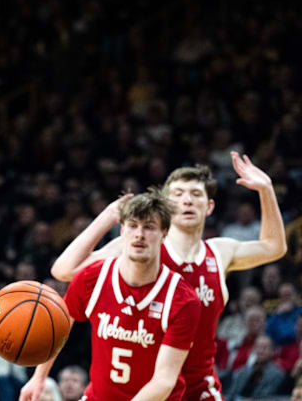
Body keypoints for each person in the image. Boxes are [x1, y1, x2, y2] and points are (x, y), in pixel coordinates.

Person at [36, 158, 287, 400]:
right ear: (165, 206)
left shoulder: (220, 252)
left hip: (197, 385)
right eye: (178, 194)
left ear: (209, 206)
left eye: (195, 194)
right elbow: (64, 270)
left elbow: (274, 247)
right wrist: (107, 217)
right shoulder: (140, 245)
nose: (187, 200)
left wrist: (266, 190)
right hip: (142, 383)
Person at [21, 190, 202, 401]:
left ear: (164, 233)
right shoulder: (92, 278)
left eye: (149, 227)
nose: (139, 234)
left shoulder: (182, 299)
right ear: (122, 230)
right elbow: (59, 329)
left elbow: (164, 380)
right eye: (133, 225)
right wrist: (38, 377)